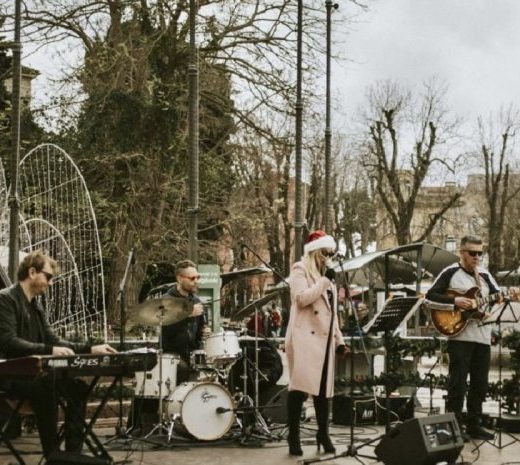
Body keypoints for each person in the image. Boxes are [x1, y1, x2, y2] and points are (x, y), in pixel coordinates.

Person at [0, 251, 116, 458]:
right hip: (11, 377)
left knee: (77, 387)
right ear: (32, 272)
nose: (51, 283)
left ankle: (73, 454)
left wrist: (90, 349)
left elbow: (54, 340)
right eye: (48, 277)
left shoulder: (36, 306)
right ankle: (52, 454)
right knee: (48, 385)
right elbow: (9, 342)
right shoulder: (5, 299)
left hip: (34, 375)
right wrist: (49, 350)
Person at [425, 235, 507, 441]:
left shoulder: (485, 275)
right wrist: (455, 301)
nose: (477, 257)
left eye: (480, 253)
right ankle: (453, 427)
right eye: (472, 253)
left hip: (482, 336)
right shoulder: (450, 272)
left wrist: (500, 299)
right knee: (458, 384)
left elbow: (496, 297)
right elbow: (430, 296)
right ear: (462, 252)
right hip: (459, 336)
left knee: (480, 384)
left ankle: (474, 424)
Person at [285, 230, 348, 456]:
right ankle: (293, 435)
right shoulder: (300, 269)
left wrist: (339, 341)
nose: (328, 258)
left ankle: (323, 433)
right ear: (314, 252)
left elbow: (332, 315)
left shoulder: (326, 278)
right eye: (325, 253)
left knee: (323, 392)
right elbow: (301, 298)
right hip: (304, 338)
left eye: (331, 253)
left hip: (324, 340)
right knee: (299, 389)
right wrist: (324, 281)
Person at [161, 259, 208, 382]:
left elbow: (199, 330)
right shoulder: (167, 300)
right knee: (183, 369)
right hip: (172, 355)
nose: (196, 281)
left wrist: (204, 332)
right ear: (180, 279)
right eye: (192, 278)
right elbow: (167, 330)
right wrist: (187, 315)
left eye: (197, 277)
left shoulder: (196, 300)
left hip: (192, 354)